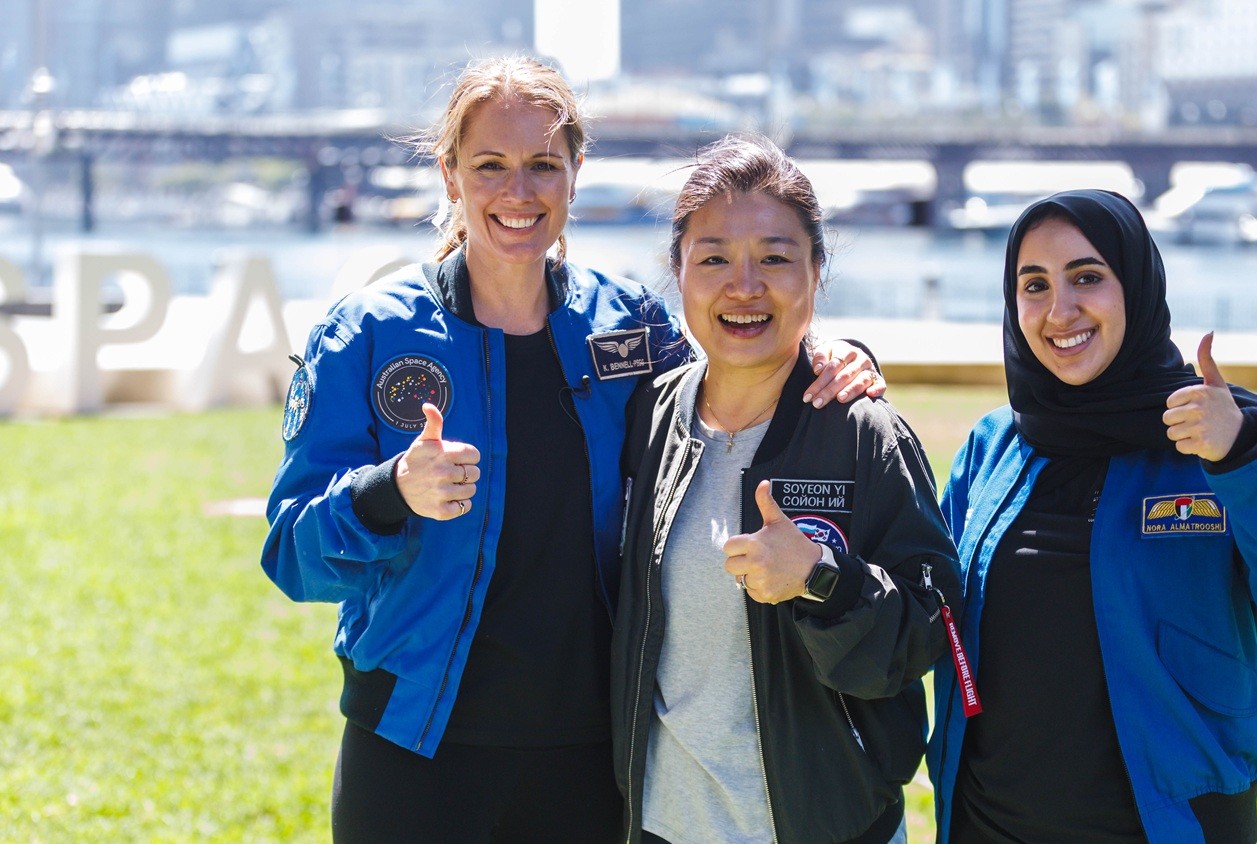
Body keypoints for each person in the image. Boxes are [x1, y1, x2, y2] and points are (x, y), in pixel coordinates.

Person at [261, 57, 881, 842]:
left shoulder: (624, 326)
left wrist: (835, 351)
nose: (519, 194)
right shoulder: (367, 333)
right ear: (450, 175)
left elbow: (738, 367)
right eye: (491, 166)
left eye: (542, 166)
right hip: (415, 747)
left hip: (596, 752)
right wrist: (390, 490)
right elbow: (291, 554)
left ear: (575, 173)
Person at [927, 190, 1257, 843]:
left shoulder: (1215, 434)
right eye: (1033, 284)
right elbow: (920, 602)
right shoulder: (994, 446)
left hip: (1169, 826)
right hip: (987, 824)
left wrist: (1242, 455)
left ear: (1138, 286)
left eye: (1088, 277)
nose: (1059, 309)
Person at [611, 135, 964, 844]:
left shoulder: (864, 433)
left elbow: (934, 627)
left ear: (816, 274)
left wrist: (824, 581)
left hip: (828, 826)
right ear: (677, 273)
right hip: (662, 826)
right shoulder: (648, 415)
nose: (744, 286)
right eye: (714, 259)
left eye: (775, 258)